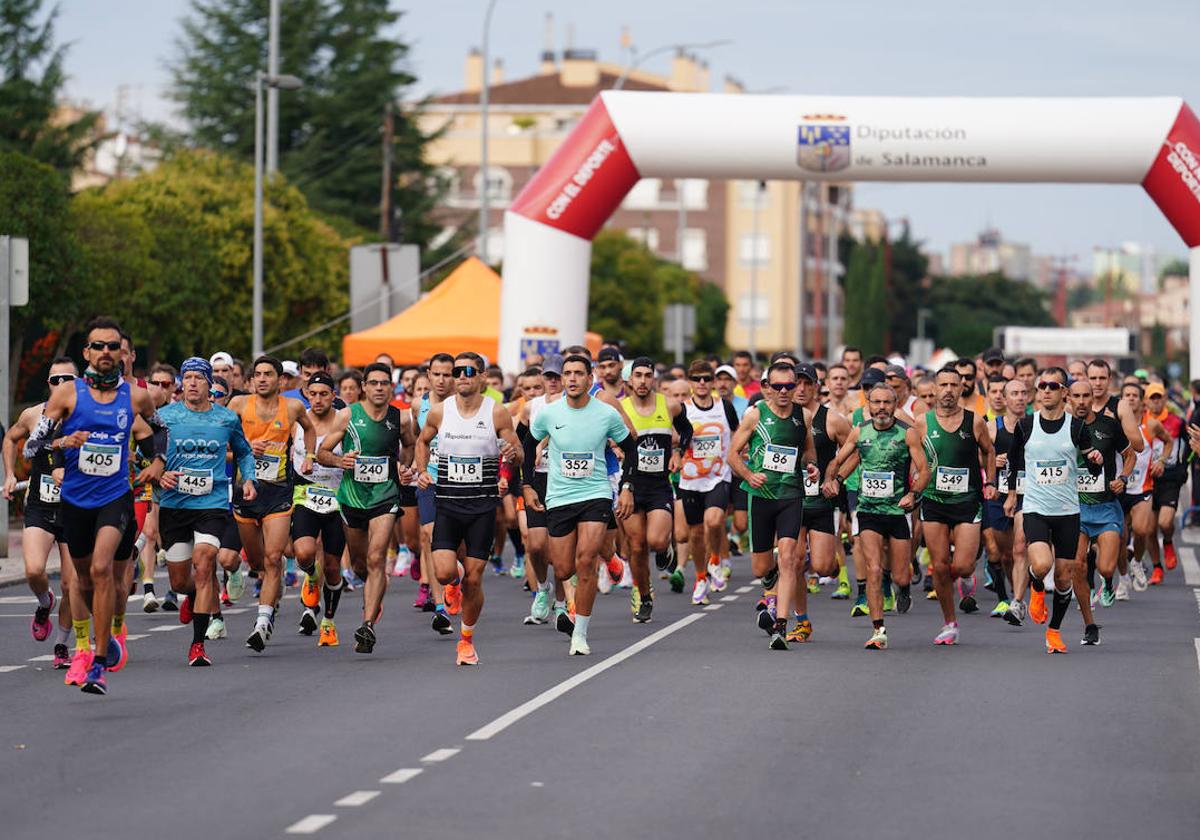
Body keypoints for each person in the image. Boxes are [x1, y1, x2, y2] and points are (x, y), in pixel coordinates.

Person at [24, 317, 167, 694]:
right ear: (86, 352)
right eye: (98, 346)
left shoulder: (135, 396)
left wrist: (158, 462)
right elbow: (30, 447)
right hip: (74, 500)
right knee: (84, 580)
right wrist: (63, 443)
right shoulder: (67, 395)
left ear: (122, 352)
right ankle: (90, 643)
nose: (106, 352)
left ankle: (98, 662)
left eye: (113, 346)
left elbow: (161, 430)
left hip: (115, 496)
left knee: (103, 569)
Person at [524, 354, 638, 655]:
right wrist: (526, 485)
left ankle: (580, 633)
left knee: (585, 561)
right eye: (567, 374)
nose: (572, 379)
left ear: (590, 379)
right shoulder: (549, 414)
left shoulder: (606, 413)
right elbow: (527, 444)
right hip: (560, 496)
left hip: (595, 493)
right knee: (563, 568)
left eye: (578, 373)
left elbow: (631, 448)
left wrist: (627, 488)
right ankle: (610, 557)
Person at [413, 354, 520, 665]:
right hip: (447, 503)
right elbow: (422, 442)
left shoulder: (496, 413)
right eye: (456, 371)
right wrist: (422, 471)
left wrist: (512, 455)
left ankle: (466, 640)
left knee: (475, 579)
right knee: (446, 571)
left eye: (468, 371)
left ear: (482, 377)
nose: (460, 376)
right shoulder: (439, 412)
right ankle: (452, 585)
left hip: (482, 508)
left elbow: (519, 455)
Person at [156, 358, 257, 666]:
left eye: (199, 377)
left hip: (211, 503)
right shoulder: (163, 417)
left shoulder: (226, 419)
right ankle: (190, 597)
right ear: (181, 384)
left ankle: (198, 645)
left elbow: (244, 451)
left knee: (204, 565)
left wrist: (248, 478)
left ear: (209, 383)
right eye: (187, 377)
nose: (193, 383)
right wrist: (159, 475)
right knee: (179, 582)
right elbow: (144, 454)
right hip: (174, 505)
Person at [1003, 367, 1102, 654]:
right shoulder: (1025, 426)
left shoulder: (1076, 427)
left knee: (1062, 577)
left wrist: (1095, 459)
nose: (1046, 390)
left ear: (1064, 393)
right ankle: (1035, 587)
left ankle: (1054, 631)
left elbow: (1092, 466)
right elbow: (1013, 462)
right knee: (1042, 565)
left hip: (1068, 511)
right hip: (1035, 507)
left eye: (1052, 386)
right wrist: (1011, 495)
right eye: (1042, 386)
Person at [318, 363, 414, 654]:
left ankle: (367, 624)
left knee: (376, 558)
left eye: (384, 383)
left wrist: (404, 467)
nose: (379, 388)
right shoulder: (347, 415)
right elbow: (322, 452)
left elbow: (409, 446)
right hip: (352, 497)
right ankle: (373, 595)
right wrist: (340, 461)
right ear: (364, 387)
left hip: (385, 495)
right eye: (373, 383)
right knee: (360, 564)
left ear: (391, 387)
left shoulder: (401, 418)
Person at [827, 383, 929, 650]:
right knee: (872, 568)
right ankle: (878, 629)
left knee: (901, 575)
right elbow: (842, 459)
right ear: (868, 405)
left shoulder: (907, 434)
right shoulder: (860, 432)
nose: (881, 408)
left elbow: (925, 470)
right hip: (868, 510)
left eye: (887, 403)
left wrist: (914, 493)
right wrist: (833, 479)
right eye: (876, 402)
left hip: (898, 511)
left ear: (895, 405)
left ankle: (901, 587)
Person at [226, 355, 316, 652]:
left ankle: (263, 623)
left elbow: (309, 428)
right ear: (251, 381)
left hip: (278, 492)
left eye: (269, 374)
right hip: (245, 492)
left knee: (274, 558)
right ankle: (260, 590)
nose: (263, 379)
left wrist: (310, 456)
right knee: (256, 562)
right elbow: (222, 448)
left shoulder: (292, 407)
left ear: (280, 380)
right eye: (258, 375)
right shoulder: (238, 406)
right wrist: (245, 449)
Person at [727, 361, 819, 649]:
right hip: (762, 498)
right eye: (777, 386)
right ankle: (770, 588)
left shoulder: (802, 417)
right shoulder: (755, 415)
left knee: (790, 556)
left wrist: (813, 466)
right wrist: (749, 475)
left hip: (791, 495)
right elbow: (732, 455)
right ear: (766, 387)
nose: (783, 391)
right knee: (761, 567)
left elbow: (808, 451)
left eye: (789, 386)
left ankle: (781, 624)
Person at [3, 357, 78, 668]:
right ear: (48, 384)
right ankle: (44, 602)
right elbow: (10, 438)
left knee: (72, 584)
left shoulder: (87, 416)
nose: (60, 385)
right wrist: (9, 474)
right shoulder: (34, 415)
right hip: (41, 505)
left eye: (67, 379)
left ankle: (61, 645)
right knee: (34, 570)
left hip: (77, 508)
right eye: (54, 380)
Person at [917, 365, 997, 645]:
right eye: (944, 385)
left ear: (962, 388)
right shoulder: (922, 423)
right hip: (934, 501)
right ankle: (949, 623)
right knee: (939, 566)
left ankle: (957, 580)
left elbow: (989, 451)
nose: (949, 390)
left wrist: (991, 483)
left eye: (954, 385)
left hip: (967, 500)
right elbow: (913, 458)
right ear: (935, 389)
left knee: (962, 566)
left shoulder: (974, 421)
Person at [620, 357, 692, 623]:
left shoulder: (670, 405)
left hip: (659, 485)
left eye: (647, 375)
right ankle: (644, 596)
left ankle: (666, 550)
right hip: (631, 485)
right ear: (629, 379)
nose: (642, 381)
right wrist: (614, 448)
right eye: (637, 375)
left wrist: (678, 451)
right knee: (636, 546)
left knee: (657, 541)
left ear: (654, 379)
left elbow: (687, 429)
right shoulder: (621, 409)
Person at [1066, 378, 1131, 644]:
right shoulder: (1063, 428)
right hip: (1076, 509)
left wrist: (1123, 478)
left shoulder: (1109, 425)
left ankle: (1107, 581)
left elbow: (1131, 455)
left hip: (1105, 508)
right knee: (1077, 567)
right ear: (1068, 398)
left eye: (1086, 396)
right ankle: (1089, 625)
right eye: (1076, 396)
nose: (1081, 401)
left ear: (1093, 397)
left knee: (1105, 566)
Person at [290, 372, 348, 645]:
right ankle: (312, 576)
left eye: (324, 394)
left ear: (333, 396)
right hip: (305, 495)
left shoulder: (343, 422)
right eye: (313, 394)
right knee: (303, 553)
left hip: (338, 499)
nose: (318, 399)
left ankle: (328, 621)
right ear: (306, 395)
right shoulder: (297, 423)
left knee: (334, 567)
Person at [516, 354, 571, 631]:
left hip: (565, 481)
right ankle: (541, 588)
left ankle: (561, 603)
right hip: (539, 480)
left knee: (560, 550)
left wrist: (543, 442)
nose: (553, 381)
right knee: (536, 544)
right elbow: (519, 442)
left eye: (557, 376)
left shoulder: (573, 405)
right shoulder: (532, 407)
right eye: (548, 376)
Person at [1145, 382, 1186, 578]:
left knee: (1165, 521)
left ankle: (1168, 541)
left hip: (1170, 478)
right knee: (1149, 529)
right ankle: (1157, 567)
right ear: (1146, 401)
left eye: (1158, 397)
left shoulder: (1177, 421)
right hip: (1148, 480)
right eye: (1151, 398)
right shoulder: (1141, 422)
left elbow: (1190, 444)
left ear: (1164, 399)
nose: (1155, 402)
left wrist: (1183, 468)